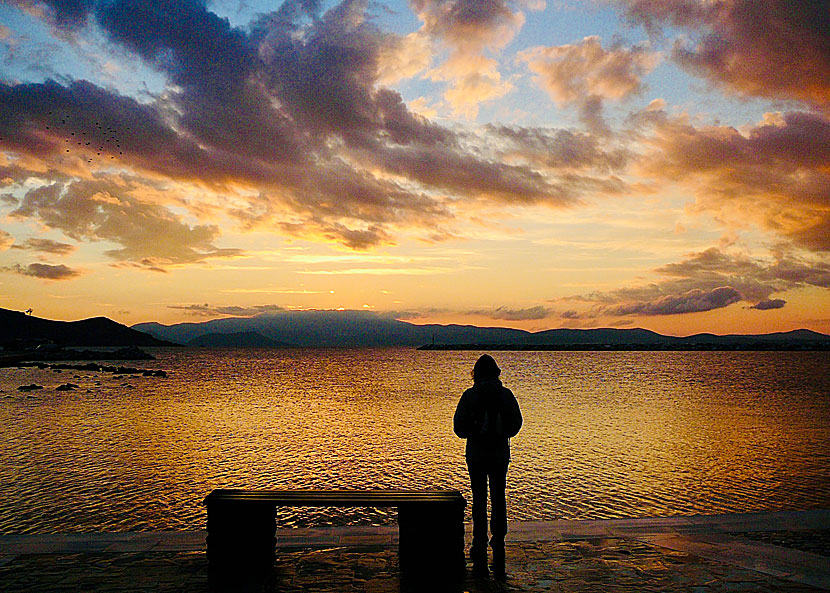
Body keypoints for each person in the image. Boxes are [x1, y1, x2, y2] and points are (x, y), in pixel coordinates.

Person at [453, 354, 522, 580]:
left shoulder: (470, 395)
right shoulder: (506, 395)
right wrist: (502, 433)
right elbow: (516, 423)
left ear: (476, 373)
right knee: (499, 496)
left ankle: (479, 541)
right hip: (500, 454)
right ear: (497, 373)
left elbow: (458, 429)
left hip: (476, 454)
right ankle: (498, 539)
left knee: (479, 498)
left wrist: (474, 431)